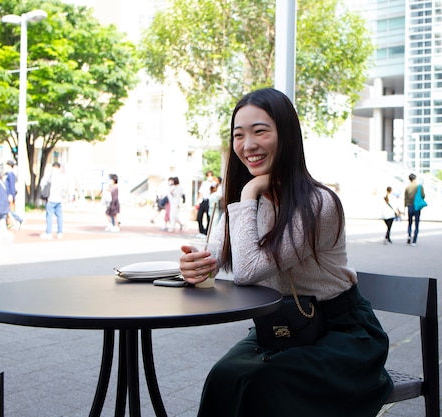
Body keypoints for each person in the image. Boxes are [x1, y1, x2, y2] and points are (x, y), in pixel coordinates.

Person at [178, 88, 393, 417]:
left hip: (343, 333)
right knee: (224, 376)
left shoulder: (319, 204)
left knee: (266, 382)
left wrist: (249, 192)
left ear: (287, 135)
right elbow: (213, 260)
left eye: (260, 131)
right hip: (284, 329)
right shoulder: (247, 204)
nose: (248, 145)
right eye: (239, 135)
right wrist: (196, 266)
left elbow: (248, 271)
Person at [39, 162, 68, 239]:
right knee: (59, 216)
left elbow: (42, 183)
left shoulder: (50, 176)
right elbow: (65, 188)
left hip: (51, 199)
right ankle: (60, 232)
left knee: (49, 216)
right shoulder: (63, 177)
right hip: (59, 199)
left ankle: (49, 232)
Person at [403, 173, 425, 246]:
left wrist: (405, 206)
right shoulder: (419, 186)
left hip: (409, 206)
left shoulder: (407, 187)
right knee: (416, 223)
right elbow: (423, 195)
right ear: (415, 179)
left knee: (409, 222)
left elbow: (405, 198)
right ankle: (414, 241)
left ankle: (409, 236)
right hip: (417, 206)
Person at [4, 160, 24, 229]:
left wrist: (11, 195)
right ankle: (12, 222)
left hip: (9, 195)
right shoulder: (7, 174)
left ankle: (18, 219)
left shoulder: (11, 174)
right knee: (7, 210)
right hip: (7, 194)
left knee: (7, 210)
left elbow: (12, 186)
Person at [196, 171, 215, 236]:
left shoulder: (214, 183)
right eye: (208, 175)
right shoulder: (204, 183)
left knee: (208, 217)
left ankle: (207, 232)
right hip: (203, 200)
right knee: (199, 216)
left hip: (210, 201)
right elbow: (200, 192)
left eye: (210, 175)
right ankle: (201, 231)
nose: (209, 177)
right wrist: (198, 201)